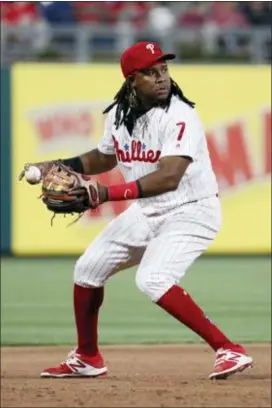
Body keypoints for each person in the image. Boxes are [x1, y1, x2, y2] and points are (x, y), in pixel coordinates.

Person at [19, 41, 253, 380]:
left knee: (153, 278)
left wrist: (105, 193)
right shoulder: (119, 114)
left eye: (164, 70)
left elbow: (170, 177)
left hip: (191, 211)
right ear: (131, 80)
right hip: (147, 212)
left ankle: (228, 349)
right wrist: (54, 164)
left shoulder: (180, 115)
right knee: (87, 270)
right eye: (150, 72)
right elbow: (104, 156)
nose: (162, 79)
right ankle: (87, 357)